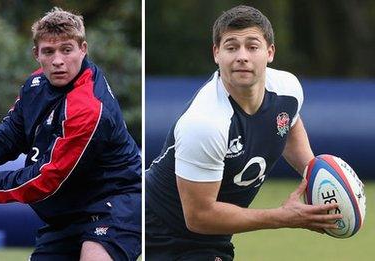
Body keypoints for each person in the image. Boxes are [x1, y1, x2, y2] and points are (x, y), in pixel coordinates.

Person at [0, 7, 141, 261]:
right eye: (49, 51)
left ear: (83, 49)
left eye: (66, 50)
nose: (58, 60)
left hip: (114, 203)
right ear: (37, 54)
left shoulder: (88, 107)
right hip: (64, 214)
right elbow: (12, 134)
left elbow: (49, 177)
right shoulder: (35, 85)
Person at [145, 5, 342, 261]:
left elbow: (287, 124)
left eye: (252, 46)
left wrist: (317, 173)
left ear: (270, 52)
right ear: (216, 53)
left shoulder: (287, 88)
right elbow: (199, 216)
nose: (242, 56)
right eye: (231, 47)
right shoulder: (205, 123)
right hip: (162, 231)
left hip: (211, 235)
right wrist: (283, 217)